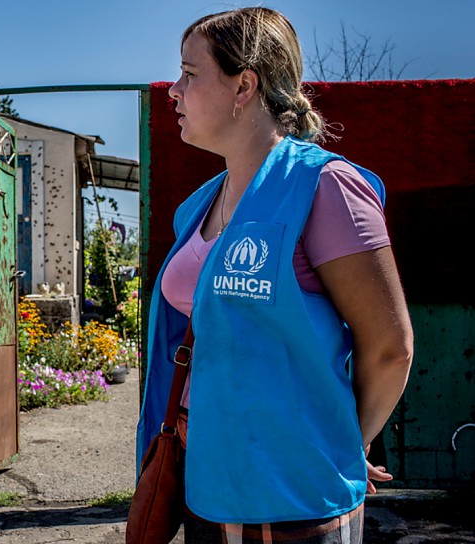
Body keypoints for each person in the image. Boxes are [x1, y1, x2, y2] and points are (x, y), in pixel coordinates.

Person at [136, 7, 413, 543]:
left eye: (190, 74)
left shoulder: (325, 188)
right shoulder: (197, 206)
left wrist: (345, 443)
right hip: (207, 487)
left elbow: (390, 348)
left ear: (245, 86)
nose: (173, 90)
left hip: (295, 502)